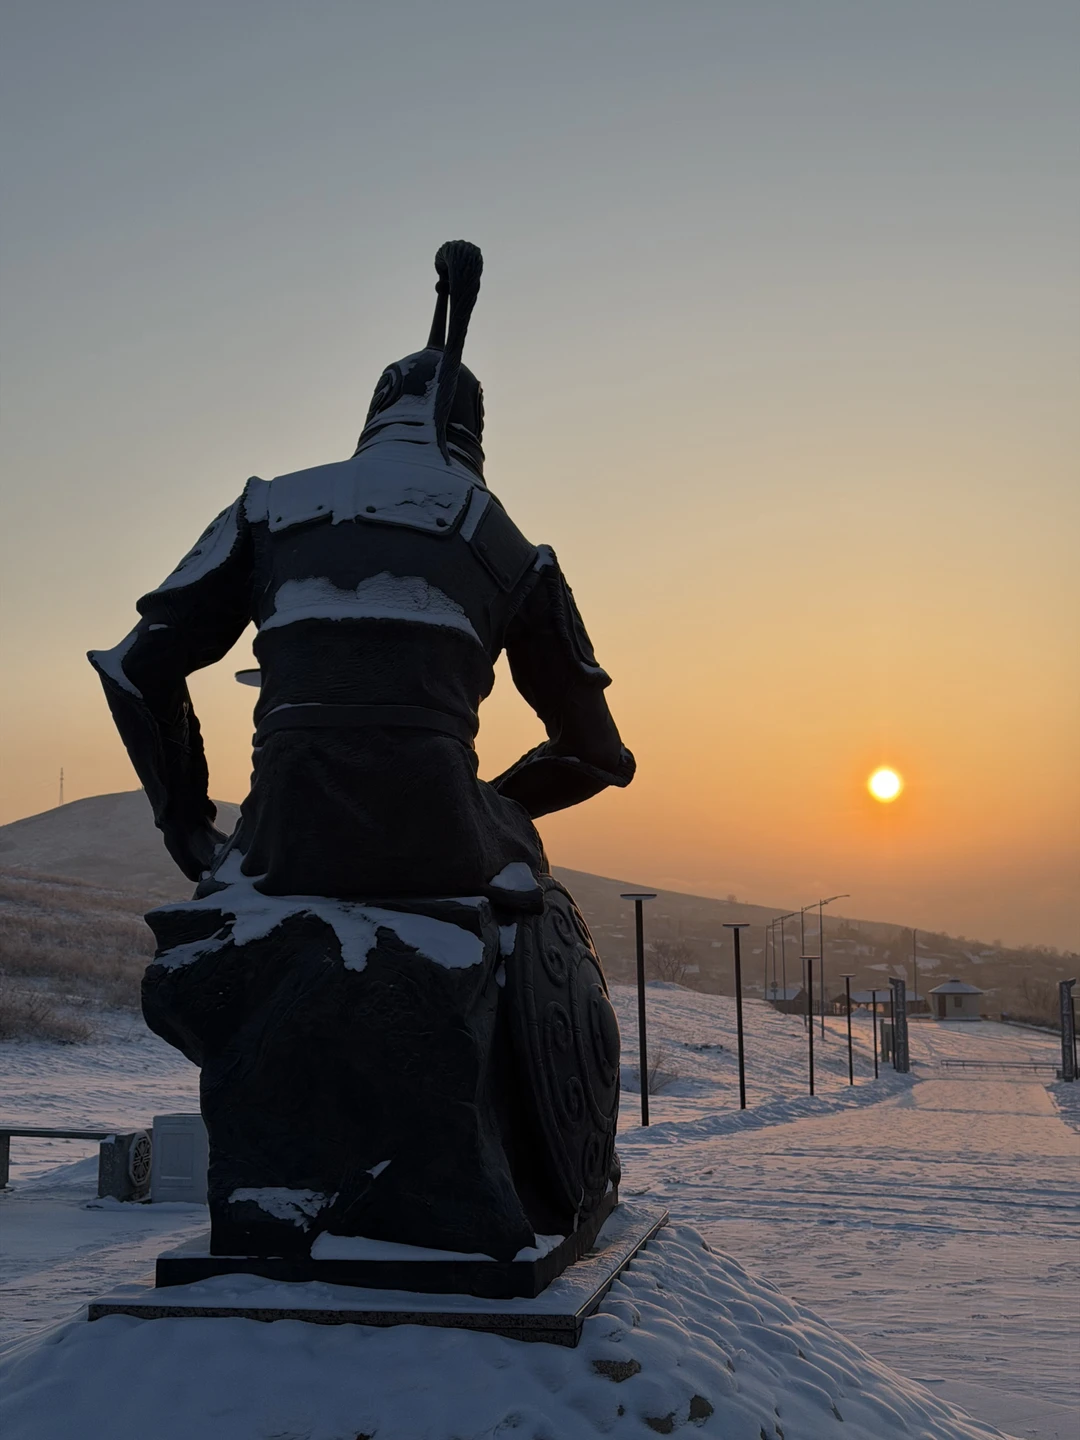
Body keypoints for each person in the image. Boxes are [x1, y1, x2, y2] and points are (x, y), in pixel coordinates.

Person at [90, 240, 634, 906]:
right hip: (448, 858)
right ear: (477, 433)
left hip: (273, 847)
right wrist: (480, 803)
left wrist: (187, 829)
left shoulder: (266, 507)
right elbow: (597, 753)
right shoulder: (510, 547)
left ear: (373, 415)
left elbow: (136, 669)